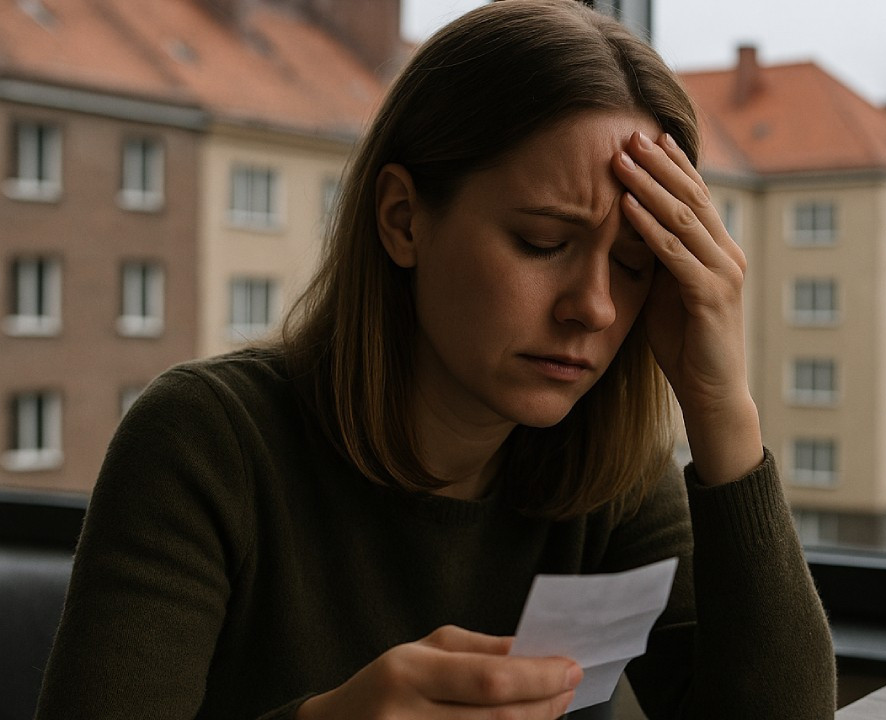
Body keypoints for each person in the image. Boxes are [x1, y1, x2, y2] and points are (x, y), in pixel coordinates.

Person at [35, 1, 837, 718]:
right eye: (542, 242)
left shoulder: (610, 474)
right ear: (402, 219)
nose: (593, 307)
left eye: (633, 264)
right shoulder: (206, 444)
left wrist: (721, 405)